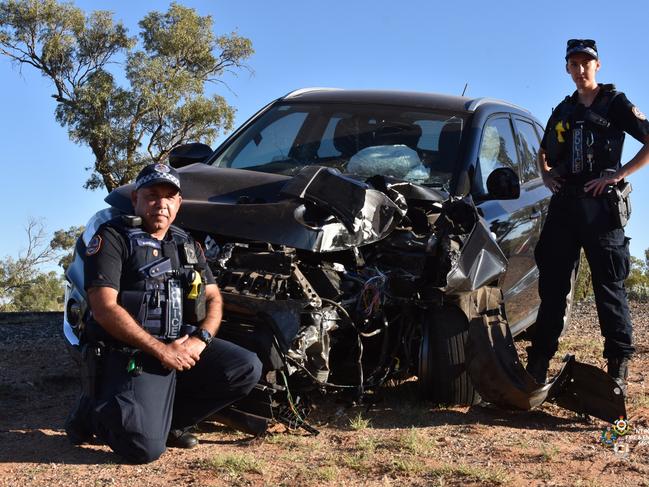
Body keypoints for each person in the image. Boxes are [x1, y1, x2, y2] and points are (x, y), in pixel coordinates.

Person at [65, 163, 262, 463]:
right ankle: (93, 413)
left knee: (245, 367)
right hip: (131, 351)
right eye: (152, 195)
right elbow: (104, 308)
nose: (161, 203)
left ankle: (168, 422)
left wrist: (201, 339)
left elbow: (213, 300)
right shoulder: (113, 237)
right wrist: (160, 350)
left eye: (170, 196)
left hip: (176, 345)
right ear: (135, 199)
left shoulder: (187, 243)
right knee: (144, 450)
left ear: (179, 203)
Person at [526, 39, 649, 389]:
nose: (580, 70)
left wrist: (618, 174)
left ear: (598, 66)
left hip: (601, 208)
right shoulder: (563, 109)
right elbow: (543, 150)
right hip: (565, 207)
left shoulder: (615, 103)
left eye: (586, 64)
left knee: (609, 287)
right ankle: (537, 366)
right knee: (552, 287)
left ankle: (617, 372)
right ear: (567, 68)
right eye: (574, 64)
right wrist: (547, 175)